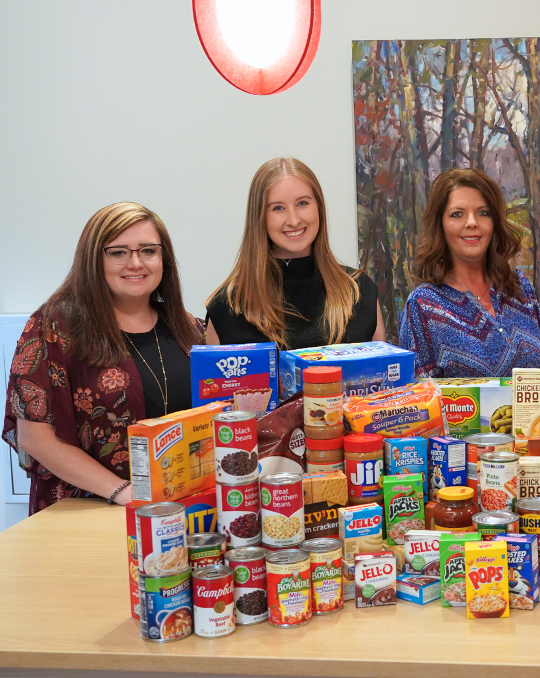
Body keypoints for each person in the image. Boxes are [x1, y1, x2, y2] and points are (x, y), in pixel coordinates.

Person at [3, 203, 203, 514]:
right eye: (118, 252)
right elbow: (35, 438)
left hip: (180, 507)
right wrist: (124, 493)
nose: (135, 263)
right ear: (93, 260)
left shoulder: (188, 328)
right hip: (90, 511)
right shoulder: (55, 326)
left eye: (148, 250)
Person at [206, 157, 383, 349]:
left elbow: (385, 375)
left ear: (319, 207)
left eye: (303, 203)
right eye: (278, 208)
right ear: (259, 217)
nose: (293, 220)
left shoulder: (358, 292)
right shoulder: (227, 306)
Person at [398, 168, 540, 378]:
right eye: (457, 214)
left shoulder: (520, 288)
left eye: (483, 213)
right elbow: (418, 400)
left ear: (494, 223)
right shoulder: (424, 306)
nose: (472, 222)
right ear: (441, 225)